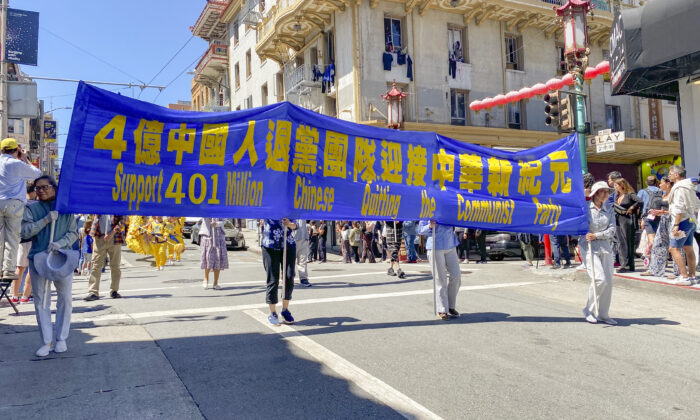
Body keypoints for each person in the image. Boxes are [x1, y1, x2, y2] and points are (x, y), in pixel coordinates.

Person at [21, 175, 78, 356]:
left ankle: (61, 338)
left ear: (54, 188)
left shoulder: (66, 209)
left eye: (45, 187)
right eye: (38, 188)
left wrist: (60, 244)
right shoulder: (31, 209)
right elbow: (25, 231)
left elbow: (73, 233)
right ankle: (47, 341)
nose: (41, 191)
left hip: (62, 258)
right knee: (41, 301)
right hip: (38, 258)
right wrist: (45, 220)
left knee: (65, 299)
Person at [0, 138, 42, 280]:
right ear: (16, 150)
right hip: (14, 204)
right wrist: (24, 158)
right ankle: (8, 270)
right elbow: (37, 173)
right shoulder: (16, 164)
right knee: (12, 238)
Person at [579, 181, 617, 325]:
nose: (606, 194)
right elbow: (580, 225)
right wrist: (586, 234)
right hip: (588, 247)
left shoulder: (609, 209)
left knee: (608, 281)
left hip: (605, 246)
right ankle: (588, 310)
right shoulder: (586, 208)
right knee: (599, 278)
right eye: (603, 191)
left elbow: (612, 229)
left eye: (608, 192)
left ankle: (603, 314)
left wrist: (597, 235)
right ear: (595, 193)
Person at [418, 220, 461, 320]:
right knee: (440, 279)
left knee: (456, 276)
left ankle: (450, 306)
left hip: (450, 244)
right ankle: (442, 309)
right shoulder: (428, 210)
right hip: (435, 245)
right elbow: (420, 230)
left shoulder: (449, 206)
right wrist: (429, 226)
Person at [667, 165, 700, 285]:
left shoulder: (679, 187)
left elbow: (679, 207)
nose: (668, 176)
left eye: (670, 173)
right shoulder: (689, 187)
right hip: (690, 220)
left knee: (674, 248)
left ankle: (684, 276)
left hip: (681, 221)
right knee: (688, 248)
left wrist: (676, 224)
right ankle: (692, 276)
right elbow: (697, 203)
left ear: (676, 175)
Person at [261, 218, 296, 325]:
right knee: (273, 278)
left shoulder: (290, 207)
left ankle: (285, 310)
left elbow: (296, 225)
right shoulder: (267, 205)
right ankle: (272, 312)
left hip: (288, 243)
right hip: (270, 244)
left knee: (289, 277)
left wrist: (289, 224)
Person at [84, 214, 124, 301]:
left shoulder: (117, 203)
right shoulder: (99, 203)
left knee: (115, 266)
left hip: (115, 238)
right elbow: (91, 215)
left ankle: (114, 290)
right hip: (99, 237)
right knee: (96, 265)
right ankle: (93, 292)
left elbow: (123, 220)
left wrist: (112, 233)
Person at [641, 176, 673, 277]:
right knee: (657, 245)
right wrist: (657, 212)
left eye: (661, 183)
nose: (659, 185)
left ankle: (678, 272)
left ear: (667, 183)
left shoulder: (673, 194)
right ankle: (655, 269)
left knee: (674, 247)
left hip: (672, 221)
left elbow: (676, 211)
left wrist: (661, 212)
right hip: (662, 220)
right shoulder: (662, 194)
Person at [11, 183, 37, 304]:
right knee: (32, 268)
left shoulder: (18, 203)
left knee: (19, 268)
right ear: (33, 192)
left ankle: (14, 295)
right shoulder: (33, 204)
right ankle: (25, 296)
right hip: (30, 239)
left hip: (18, 239)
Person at [612, 178, 641, 273]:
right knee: (620, 242)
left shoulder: (630, 194)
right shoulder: (617, 196)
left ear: (622, 185)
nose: (615, 187)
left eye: (616, 185)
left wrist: (632, 207)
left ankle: (627, 264)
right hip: (618, 219)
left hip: (627, 220)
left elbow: (640, 201)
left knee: (626, 242)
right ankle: (624, 263)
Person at [200, 217, 229, 290]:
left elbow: (225, 220)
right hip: (208, 236)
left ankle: (215, 282)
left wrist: (217, 224)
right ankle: (206, 279)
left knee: (218, 258)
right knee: (208, 258)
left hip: (219, 236)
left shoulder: (221, 209)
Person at [637, 176, 662, 246]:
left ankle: (653, 253)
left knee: (651, 236)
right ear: (657, 183)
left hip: (648, 216)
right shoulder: (662, 191)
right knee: (660, 236)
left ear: (646, 182)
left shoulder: (642, 192)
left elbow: (637, 203)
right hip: (660, 215)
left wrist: (640, 217)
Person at [293, 219, 312, 287]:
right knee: (290, 261)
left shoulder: (304, 210)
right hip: (292, 238)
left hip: (303, 238)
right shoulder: (289, 210)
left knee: (303, 260)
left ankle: (303, 278)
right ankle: (288, 277)